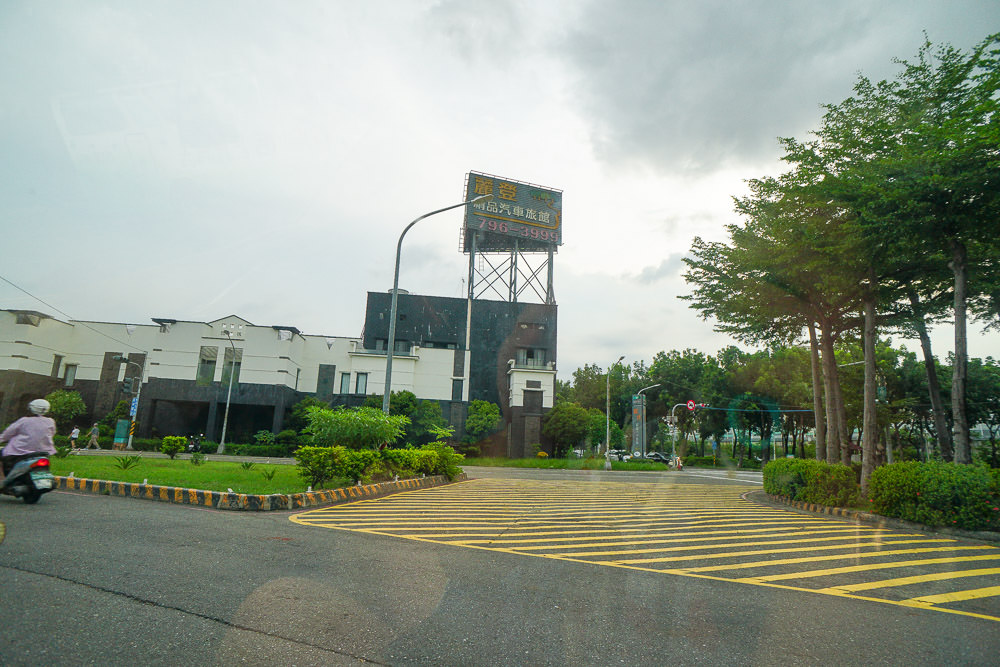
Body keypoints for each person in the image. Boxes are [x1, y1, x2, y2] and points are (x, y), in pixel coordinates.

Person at [0, 399, 57, 477]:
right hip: (42, 452)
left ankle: (3, 479)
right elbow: (52, 434)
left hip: (19, 451)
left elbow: (8, 433)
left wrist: (2, 439)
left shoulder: (24, 421)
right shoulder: (50, 421)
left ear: (31, 408)